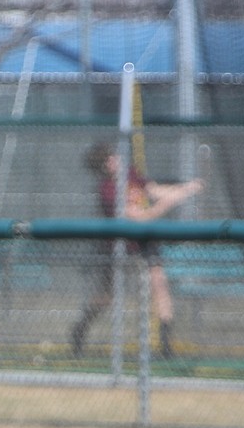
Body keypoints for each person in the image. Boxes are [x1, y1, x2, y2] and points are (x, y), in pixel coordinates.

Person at [70, 142, 202, 359]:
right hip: (120, 245)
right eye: (111, 159)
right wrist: (166, 204)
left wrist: (187, 188)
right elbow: (140, 217)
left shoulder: (131, 174)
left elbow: (154, 190)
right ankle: (80, 328)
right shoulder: (108, 191)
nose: (118, 159)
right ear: (105, 166)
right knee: (107, 296)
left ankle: (165, 344)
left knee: (159, 283)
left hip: (145, 242)